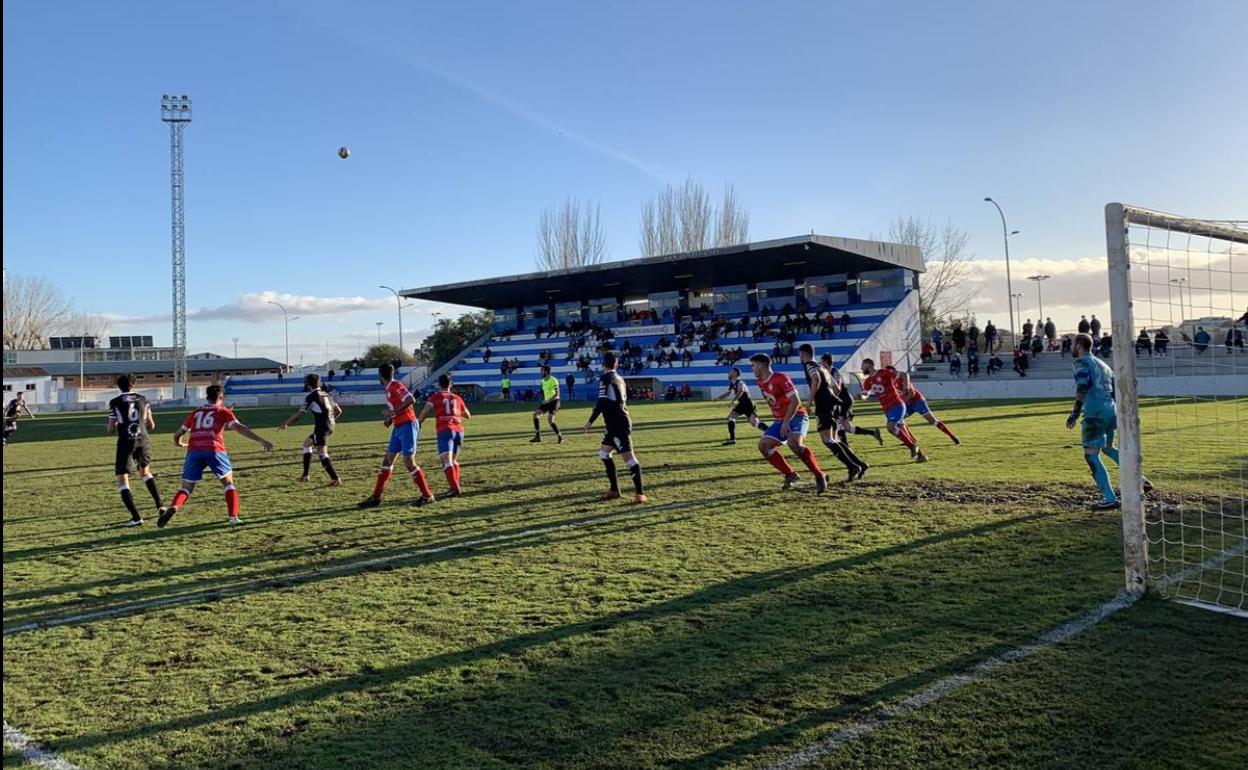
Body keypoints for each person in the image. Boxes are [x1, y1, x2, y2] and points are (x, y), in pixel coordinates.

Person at [156, 385, 274, 527]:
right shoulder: (223, 411)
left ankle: (174, 507)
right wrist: (261, 440)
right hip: (214, 449)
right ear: (221, 397)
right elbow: (238, 427)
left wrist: (180, 443)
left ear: (207, 397)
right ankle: (233, 517)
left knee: (186, 487)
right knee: (228, 484)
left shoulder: (196, 412)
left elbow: (178, 434)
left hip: (194, 451)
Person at [1067, 333, 1152, 510]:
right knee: (1107, 448)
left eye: (1072, 344)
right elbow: (1115, 391)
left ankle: (1109, 498)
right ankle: (1141, 480)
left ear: (1079, 346)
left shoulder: (1081, 363)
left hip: (1095, 412)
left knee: (1091, 455)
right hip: (1110, 410)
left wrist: (1075, 412)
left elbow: (1082, 387)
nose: (1070, 347)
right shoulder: (1104, 365)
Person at [357, 363, 436, 509]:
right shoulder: (390, 388)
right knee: (387, 461)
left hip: (408, 425)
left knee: (409, 462)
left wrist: (393, 412)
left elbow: (410, 399)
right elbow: (400, 405)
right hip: (399, 426)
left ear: (380, 375)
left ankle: (427, 496)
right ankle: (375, 498)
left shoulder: (395, 385)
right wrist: (391, 418)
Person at [750, 353, 828, 492]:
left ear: (762, 365)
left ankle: (818, 474)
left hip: (797, 415)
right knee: (763, 445)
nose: (752, 369)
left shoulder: (781, 378)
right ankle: (790, 474)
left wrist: (786, 421)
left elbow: (796, 401)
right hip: (781, 419)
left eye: (754, 365)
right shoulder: (760, 382)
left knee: (794, 443)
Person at [583, 352, 646, 503]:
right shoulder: (620, 379)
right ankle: (614, 490)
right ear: (616, 364)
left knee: (630, 459)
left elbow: (602, 402)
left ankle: (640, 494)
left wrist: (590, 421)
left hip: (617, 424)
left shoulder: (605, 378)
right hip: (616, 423)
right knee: (604, 453)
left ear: (603, 364)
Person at [799, 344, 867, 481]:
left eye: (800, 355)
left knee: (828, 440)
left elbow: (815, 379)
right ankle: (859, 464)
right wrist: (831, 399)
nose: (799, 357)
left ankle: (852, 467)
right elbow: (836, 387)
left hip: (824, 406)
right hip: (833, 404)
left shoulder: (809, 365)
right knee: (834, 439)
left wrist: (810, 401)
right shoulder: (823, 368)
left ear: (803, 354)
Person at [107, 374, 162, 526]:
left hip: (126, 441)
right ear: (133, 385)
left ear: (118, 386)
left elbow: (110, 429)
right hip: (142, 439)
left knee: (123, 478)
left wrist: (119, 425)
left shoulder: (114, 402)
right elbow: (151, 425)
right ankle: (160, 506)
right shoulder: (143, 399)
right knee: (145, 473)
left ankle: (136, 517)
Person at [277, 373, 342, 486]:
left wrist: (286, 423)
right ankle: (305, 476)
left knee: (322, 452)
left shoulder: (311, 396)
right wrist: (330, 421)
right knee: (307, 444)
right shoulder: (326, 394)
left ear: (307, 384)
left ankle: (335, 479)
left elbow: (300, 413)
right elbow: (339, 410)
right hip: (330, 426)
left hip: (322, 427)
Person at [860, 358, 926, 462]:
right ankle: (921, 456)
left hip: (897, 404)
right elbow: (865, 393)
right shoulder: (868, 381)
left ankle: (912, 446)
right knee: (903, 431)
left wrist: (907, 386)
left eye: (862, 365)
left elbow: (904, 374)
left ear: (869, 365)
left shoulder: (884, 372)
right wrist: (862, 396)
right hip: (887, 409)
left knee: (890, 427)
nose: (861, 368)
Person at [417, 374, 471, 497]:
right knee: (453, 460)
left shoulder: (435, 397)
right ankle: (455, 485)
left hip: (445, 429)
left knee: (446, 461)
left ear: (438, 384)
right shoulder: (457, 398)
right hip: (459, 431)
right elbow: (467, 415)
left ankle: (454, 488)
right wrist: (455, 413)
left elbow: (425, 411)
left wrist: (419, 423)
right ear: (451, 384)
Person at [897, 372, 961, 445]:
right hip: (908, 404)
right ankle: (911, 441)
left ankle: (952, 437)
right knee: (898, 420)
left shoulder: (901, 380)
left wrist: (903, 402)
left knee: (932, 421)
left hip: (917, 401)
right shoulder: (891, 384)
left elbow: (912, 393)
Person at [715, 366, 769, 445]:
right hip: (745, 403)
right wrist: (718, 398)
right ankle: (770, 431)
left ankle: (732, 439)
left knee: (733, 417)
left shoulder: (740, 383)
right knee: (753, 422)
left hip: (746, 403)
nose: (729, 373)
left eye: (731, 372)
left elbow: (740, 392)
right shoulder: (732, 383)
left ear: (735, 374)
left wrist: (733, 400)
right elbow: (728, 393)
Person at [531, 365, 564, 443]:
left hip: (555, 401)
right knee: (535, 414)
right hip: (547, 401)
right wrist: (537, 393)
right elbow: (544, 392)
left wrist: (548, 400)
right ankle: (538, 436)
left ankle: (559, 436)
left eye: (542, 371)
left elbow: (557, 394)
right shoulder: (542, 381)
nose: (540, 372)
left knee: (550, 420)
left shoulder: (553, 380)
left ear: (546, 371)